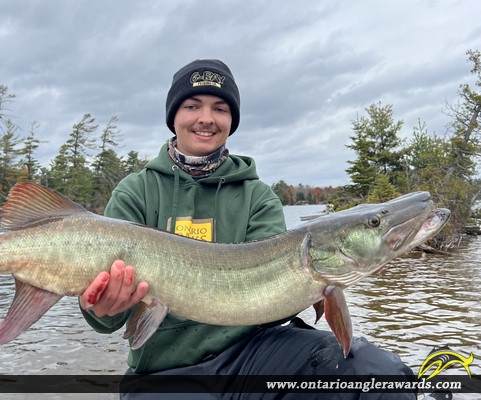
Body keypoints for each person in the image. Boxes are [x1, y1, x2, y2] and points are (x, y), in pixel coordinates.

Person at [79, 59, 416, 399]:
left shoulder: (258, 197)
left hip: (251, 358)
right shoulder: (136, 192)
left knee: (376, 376)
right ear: (174, 116)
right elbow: (106, 321)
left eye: (220, 108)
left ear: (231, 120)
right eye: (192, 105)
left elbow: (267, 314)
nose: (206, 118)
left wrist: (320, 287)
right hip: (162, 372)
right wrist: (104, 307)